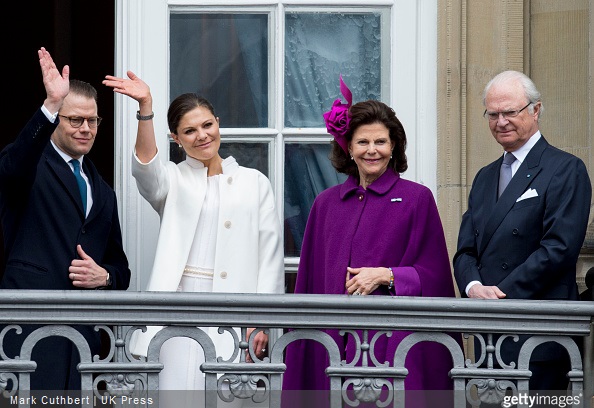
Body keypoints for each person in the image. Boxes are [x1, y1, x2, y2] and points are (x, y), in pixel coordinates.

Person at [102, 71, 284, 394]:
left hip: (235, 316)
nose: (201, 135)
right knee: (173, 393)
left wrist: (262, 321)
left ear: (217, 122)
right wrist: (146, 107)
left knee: (224, 397)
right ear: (176, 138)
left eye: (206, 125)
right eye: (189, 131)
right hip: (176, 312)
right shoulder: (172, 179)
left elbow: (269, 259)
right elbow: (145, 170)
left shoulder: (255, 183)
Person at [282, 77, 458, 402]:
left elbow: (436, 277)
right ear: (348, 147)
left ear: (394, 148)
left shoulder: (417, 198)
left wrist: (388, 275)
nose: (372, 150)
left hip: (392, 346)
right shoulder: (325, 204)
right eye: (362, 142)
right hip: (331, 346)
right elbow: (307, 284)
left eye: (381, 142)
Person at [0, 48, 131, 391]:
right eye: (75, 119)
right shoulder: (30, 166)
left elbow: (120, 268)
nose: (86, 129)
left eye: (93, 121)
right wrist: (50, 105)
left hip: (84, 346)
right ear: (57, 119)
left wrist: (104, 277)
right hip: (28, 332)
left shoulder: (103, 191)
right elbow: (13, 166)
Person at [453, 70, 592, 391]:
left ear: (536, 109)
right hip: (491, 336)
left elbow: (559, 248)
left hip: (539, 335)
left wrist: (498, 294)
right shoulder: (485, 177)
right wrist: (473, 286)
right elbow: (465, 250)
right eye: (493, 114)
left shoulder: (565, 168)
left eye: (510, 112)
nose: (501, 121)